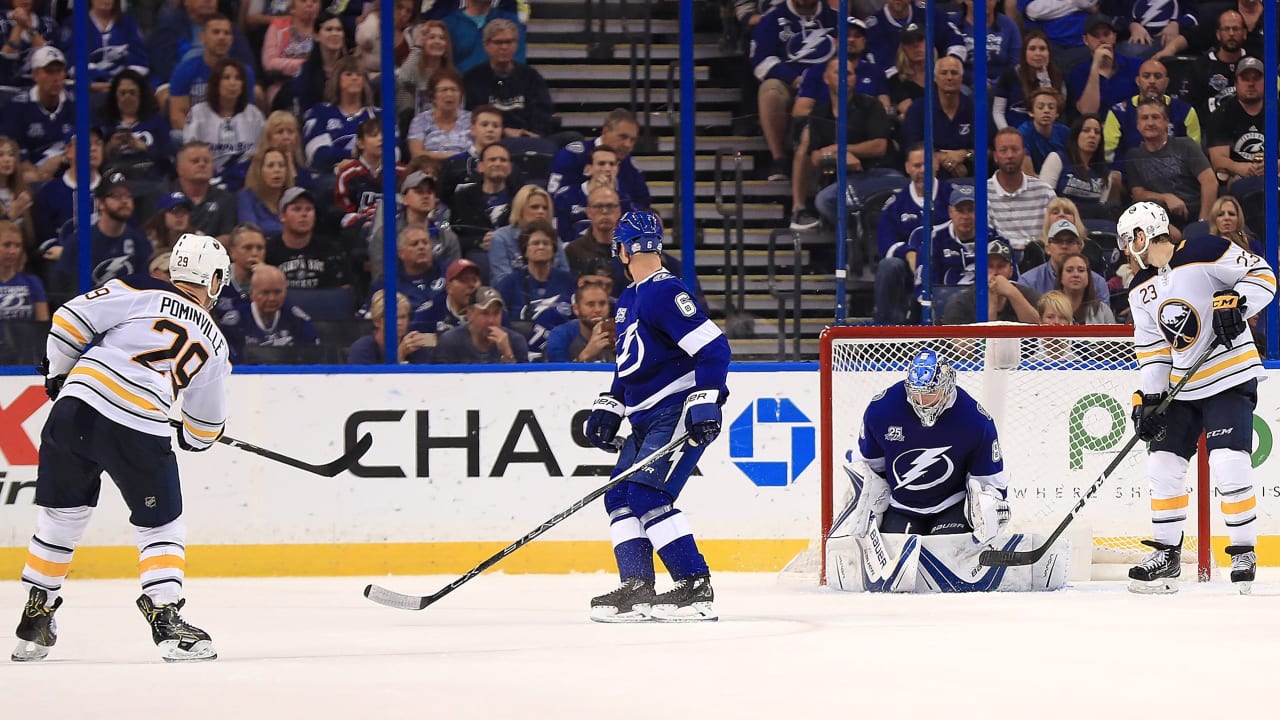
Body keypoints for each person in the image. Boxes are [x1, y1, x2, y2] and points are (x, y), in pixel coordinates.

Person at [14, 233, 229, 662]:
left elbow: (71, 318)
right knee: (161, 525)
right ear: (216, 279)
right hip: (138, 426)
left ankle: (36, 617)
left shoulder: (139, 288)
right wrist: (192, 437)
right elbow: (204, 426)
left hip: (75, 408)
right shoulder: (217, 343)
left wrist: (58, 375)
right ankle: (167, 620)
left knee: (61, 515)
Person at [1119, 200, 1275, 594]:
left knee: (1227, 460)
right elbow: (1154, 350)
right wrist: (1150, 400)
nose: (1124, 249)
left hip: (1228, 376)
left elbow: (1263, 274)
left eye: (1126, 240)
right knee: (1163, 464)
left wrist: (1238, 302)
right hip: (1182, 388)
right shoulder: (1140, 291)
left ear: (1142, 235)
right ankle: (1168, 555)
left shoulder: (1205, 250)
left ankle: (1242, 550)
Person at [584, 210, 730, 623]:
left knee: (649, 495)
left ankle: (693, 586)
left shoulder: (664, 292)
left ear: (622, 250)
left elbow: (714, 349)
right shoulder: (630, 297)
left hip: (674, 411)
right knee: (619, 496)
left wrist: (705, 399)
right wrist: (611, 403)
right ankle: (637, 587)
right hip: (645, 416)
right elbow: (630, 363)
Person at [847, 348, 1010, 542]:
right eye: (917, 394)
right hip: (900, 507)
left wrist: (991, 505)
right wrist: (862, 493)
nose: (923, 402)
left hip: (951, 507)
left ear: (947, 386)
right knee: (897, 557)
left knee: (948, 552)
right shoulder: (882, 411)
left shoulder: (975, 421)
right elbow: (869, 465)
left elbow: (989, 480)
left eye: (931, 393)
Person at [218, 264, 320, 363]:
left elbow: (312, 354)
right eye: (265, 293)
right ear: (252, 294)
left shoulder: (297, 319)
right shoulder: (233, 324)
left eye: (277, 292)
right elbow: (227, 363)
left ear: (285, 292)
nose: (272, 298)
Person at [940, 239, 1041, 325]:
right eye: (989, 266)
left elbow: (1039, 333)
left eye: (1001, 266)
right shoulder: (962, 303)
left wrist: (1012, 293)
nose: (995, 272)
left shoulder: (1027, 295)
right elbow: (962, 347)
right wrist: (991, 304)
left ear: (1011, 271)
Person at [432, 286, 529, 363]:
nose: (491, 320)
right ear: (470, 314)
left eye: (496, 313)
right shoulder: (450, 342)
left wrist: (507, 355)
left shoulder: (515, 341)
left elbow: (523, 384)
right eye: (485, 313)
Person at [350, 290, 434, 364]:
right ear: (377, 321)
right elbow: (371, 381)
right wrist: (399, 356)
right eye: (393, 318)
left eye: (403, 317)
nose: (399, 323)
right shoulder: (362, 349)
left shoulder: (415, 347)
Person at [544, 277, 615, 363]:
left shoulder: (622, 332)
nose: (598, 309)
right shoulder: (560, 335)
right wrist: (587, 354)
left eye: (602, 303)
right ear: (576, 309)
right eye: (591, 304)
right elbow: (557, 374)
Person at [1056, 252, 1115, 324]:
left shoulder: (1103, 311)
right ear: (1061, 277)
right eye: (1069, 270)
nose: (1075, 274)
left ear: (1088, 277)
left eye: (1081, 270)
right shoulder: (1049, 309)